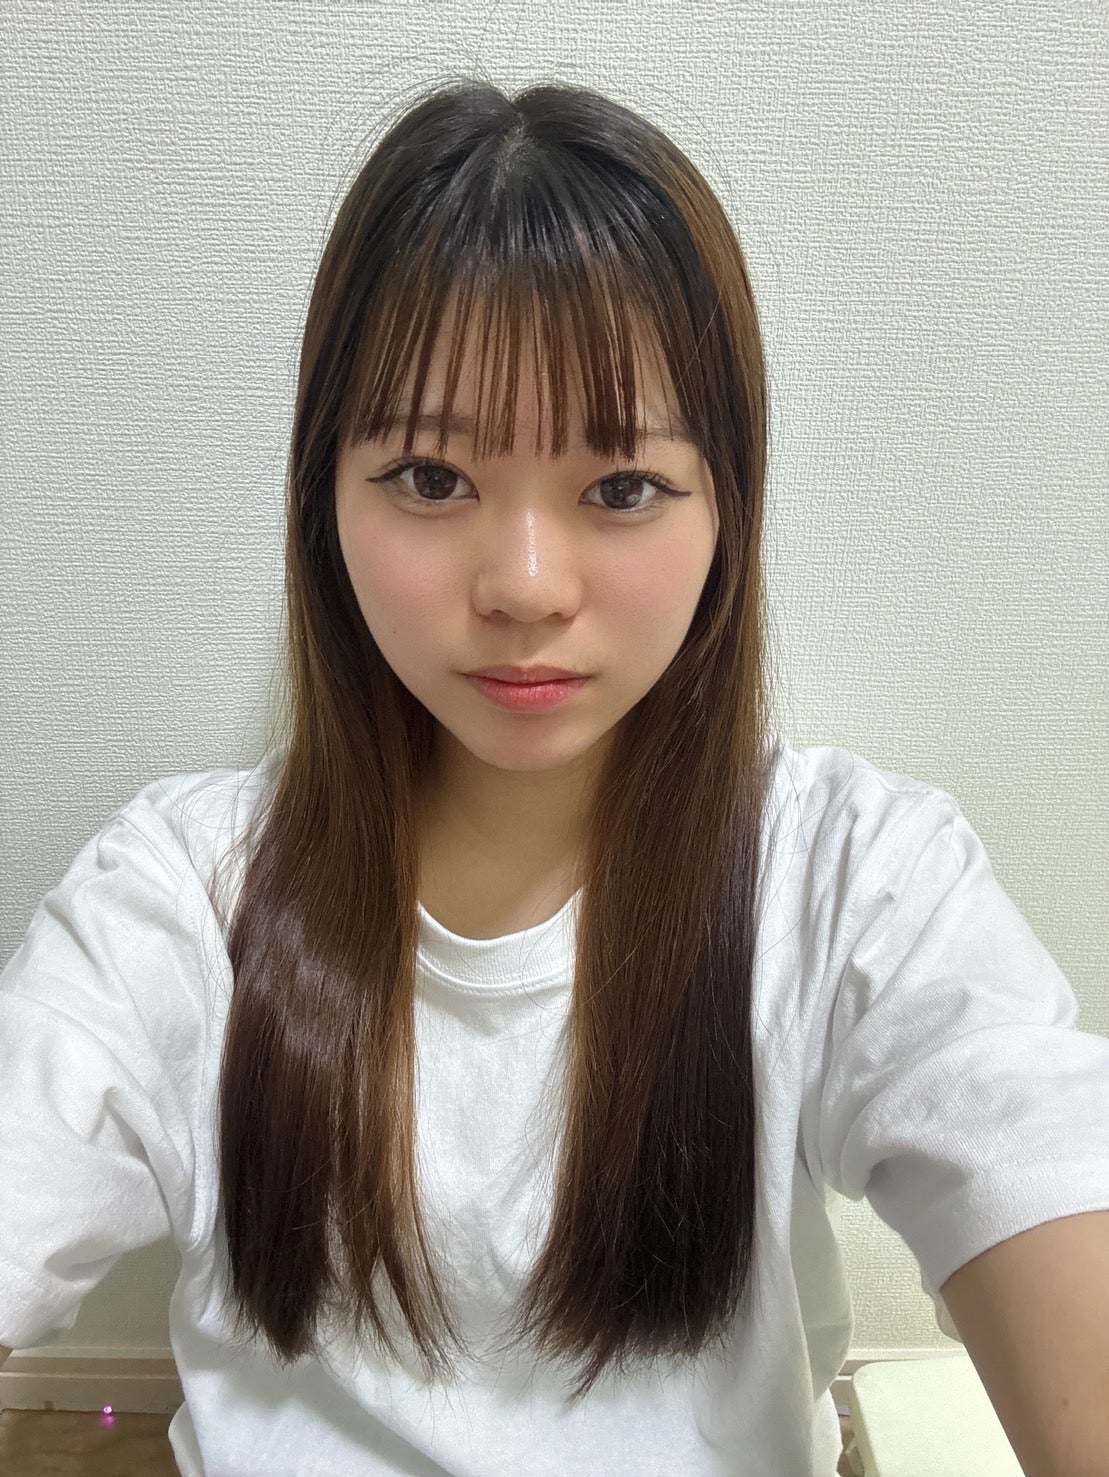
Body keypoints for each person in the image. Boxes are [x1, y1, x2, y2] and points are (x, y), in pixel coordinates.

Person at [1, 79, 1106, 1477]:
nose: (524, 586)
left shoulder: (853, 880)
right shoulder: (182, 898)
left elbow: (1030, 1148)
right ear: (322, 497)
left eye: (623, 487)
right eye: (429, 476)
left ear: (728, 507)